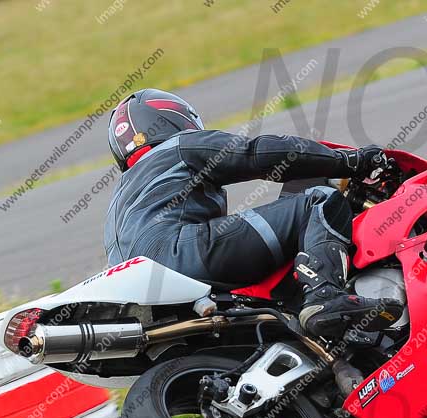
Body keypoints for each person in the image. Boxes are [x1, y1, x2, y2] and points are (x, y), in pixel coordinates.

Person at [104, 89, 402, 339]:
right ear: (173, 117)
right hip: (187, 254)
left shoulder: (116, 204)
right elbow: (258, 154)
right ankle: (325, 297)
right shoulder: (178, 146)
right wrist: (348, 161)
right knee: (319, 201)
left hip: (151, 299)